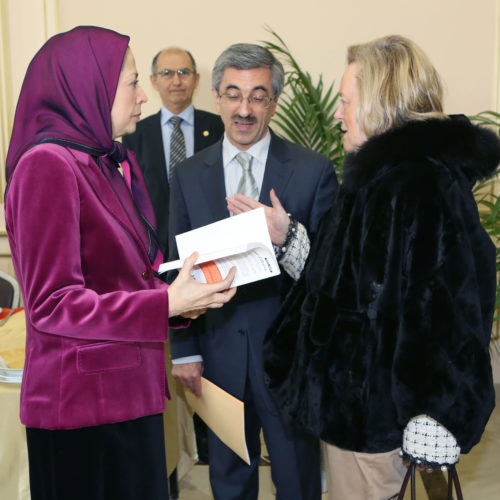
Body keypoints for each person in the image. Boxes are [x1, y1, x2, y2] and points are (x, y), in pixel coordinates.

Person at [228, 34, 500, 499]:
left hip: (380, 426)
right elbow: (351, 282)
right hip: (352, 413)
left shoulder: (420, 184)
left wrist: (435, 414)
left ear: (379, 103)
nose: (336, 113)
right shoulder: (379, 178)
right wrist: (288, 237)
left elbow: (450, 312)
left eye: (345, 101)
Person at [4, 26, 237, 500]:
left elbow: (120, 277)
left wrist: (176, 299)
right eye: (132, 82)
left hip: (129, 397)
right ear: (91, 86)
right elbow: (53, 305)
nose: (143, 97)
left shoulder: (102, 161)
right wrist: (162, 305)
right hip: (83, 412)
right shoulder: (48, 165)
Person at [169, 43, 338, 499]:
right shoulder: (188, 175)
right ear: (217, 98)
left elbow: (331, 273)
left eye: (258, 96)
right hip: (217, 354)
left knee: (297, 480)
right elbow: (176, 265)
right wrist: (184, 349)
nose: (244, 109)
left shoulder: (313, 172)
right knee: (227, 480)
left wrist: (289, 234)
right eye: (233, 95)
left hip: (289, 362)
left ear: (274, 101)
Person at [122, 47, 224, 258]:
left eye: (183, 73)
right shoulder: (135, 133)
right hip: (155, 247)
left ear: (196, 80)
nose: (176, 82)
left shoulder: (218, 127)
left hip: (209, 242)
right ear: (153, 81)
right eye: (167, 73)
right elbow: (133, 194)